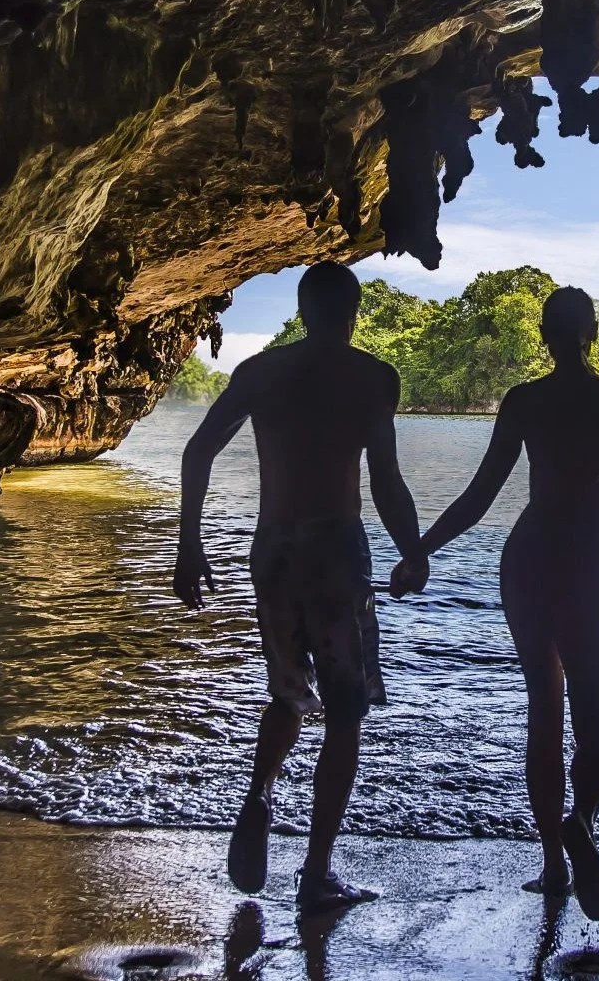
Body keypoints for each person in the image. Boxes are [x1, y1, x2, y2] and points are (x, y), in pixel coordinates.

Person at [401, 286, 599, 921]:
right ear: (591, 336)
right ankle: (582, 822)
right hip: (583, 568)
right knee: (595, 718)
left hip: (526, 562)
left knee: (543, 711)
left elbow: (481, 494)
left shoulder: (524, 402)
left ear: (545, 337)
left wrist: (420, 550)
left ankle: (553, 862)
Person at [174, 261, 428, 916]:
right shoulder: (372, 377)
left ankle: (259, 792)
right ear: (351, 316)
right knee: (345, 713)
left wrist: (190, 545)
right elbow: (386, 481)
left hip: (274, 551)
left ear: (302, 308)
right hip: (336, 554)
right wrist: (413, 552)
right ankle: (317, 872)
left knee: (287, 694)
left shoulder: (260, 372)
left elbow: (197, 451)